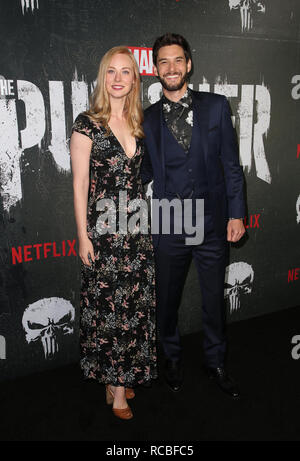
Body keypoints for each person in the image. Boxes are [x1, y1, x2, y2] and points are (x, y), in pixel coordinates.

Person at [141, 33, 245, 398]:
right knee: (166, 298)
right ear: (155, 69)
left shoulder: (216, 106)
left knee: (213, 298)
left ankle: (215, 361)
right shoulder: (146, 118)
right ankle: (170, 357)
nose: (171, 68)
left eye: (177, 60)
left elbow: (231, 166)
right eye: (163, 62)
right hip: (169, 219)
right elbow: (141, 173)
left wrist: (237, 214)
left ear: (188, 64)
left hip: (214, 220)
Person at [70, 46, 157, 420]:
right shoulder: (87, 123)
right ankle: (117, 391)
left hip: (137, 229)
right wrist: (82, 235)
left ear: (135, 80)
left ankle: (117, 378)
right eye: (111, 71)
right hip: (104, 232)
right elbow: (79, 184)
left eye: (126, 71)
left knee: (134, 308)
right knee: (112, 310)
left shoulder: (139, 122)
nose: (118, 78)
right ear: (103, 77)